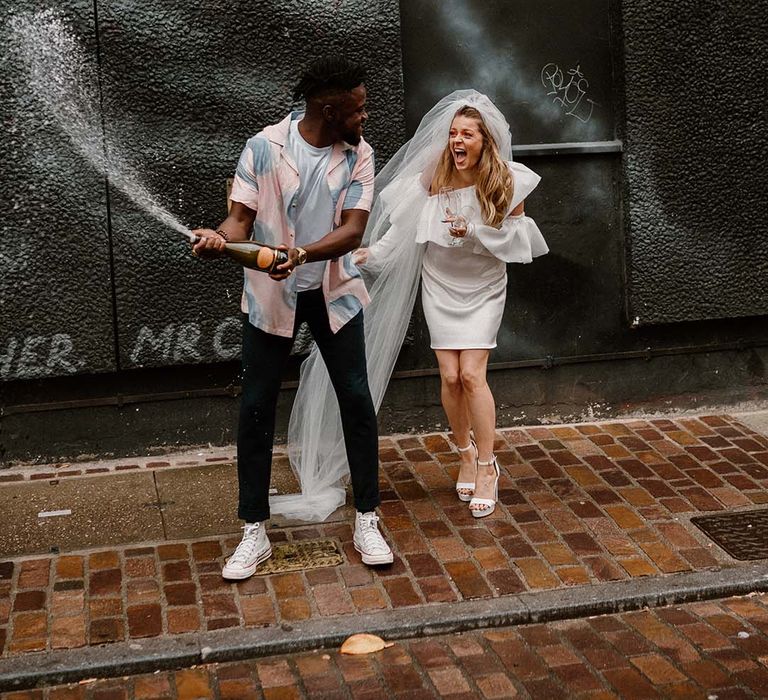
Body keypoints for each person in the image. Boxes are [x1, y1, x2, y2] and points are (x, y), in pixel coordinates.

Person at [191, 57, 393, 580]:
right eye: (358, 108)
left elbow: (352, 232)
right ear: (330, 110)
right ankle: (253, 530)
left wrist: (301, 255)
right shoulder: (263, 147)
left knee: (356, 398)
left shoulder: (360, 155)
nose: (364, 116)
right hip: (270, 297)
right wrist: (218, 240)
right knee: (256, 407)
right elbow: (238, 221)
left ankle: (367, 518)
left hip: (332, 292)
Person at [353, 90, 548, 518]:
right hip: (439, 283)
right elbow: (403, 226)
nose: (457, 141)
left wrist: (473, 233)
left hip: (483, 287)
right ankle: (463, 451)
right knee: (449, 375)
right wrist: (373, 254)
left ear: (485, 141)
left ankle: (487, 466)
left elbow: (516, 244)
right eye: (453, 133)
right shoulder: (434, 174)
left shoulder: (508, 181)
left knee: (472, 375)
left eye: (467, 134)